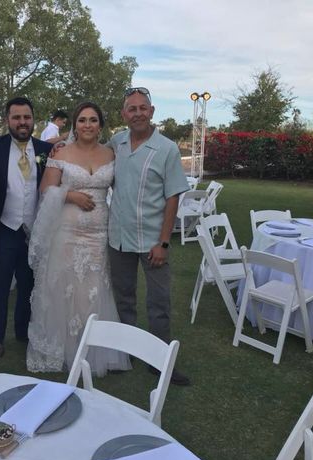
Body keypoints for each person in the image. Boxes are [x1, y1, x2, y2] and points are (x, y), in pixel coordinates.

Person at [27, 102, 131, 375]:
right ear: (74, 125)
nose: (87, 125)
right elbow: (46, 188)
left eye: (93, 120)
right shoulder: (61, 152)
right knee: (64, 287)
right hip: (67, 231)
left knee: (94, 289)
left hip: (99, 234)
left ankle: (93, 349)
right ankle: (61, 348)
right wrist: (69, 195)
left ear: (100, 125)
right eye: (82, 120)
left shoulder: (111, 154)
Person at [107, 87, 191, 386]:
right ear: (124, 114)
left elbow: (172, 198)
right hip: (118, 237)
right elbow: (88, 152)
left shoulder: (167, 149)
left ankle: (160, 362)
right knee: (123, 299)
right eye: (132, 108)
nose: (138, 113)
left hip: (152, 241)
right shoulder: (116, 142)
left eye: (143, 108)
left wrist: (164, 242)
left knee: (159, 303)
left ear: (152, 111)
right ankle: (125, 354)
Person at [0, 97, 53, 358]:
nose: (22, 122)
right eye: (16, 117)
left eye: (26, 117)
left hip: (34, 231)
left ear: (34, 119)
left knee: (28, 285)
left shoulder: (46, 148)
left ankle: (24, 332)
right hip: (3, 227)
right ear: (8, 120)